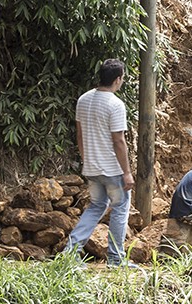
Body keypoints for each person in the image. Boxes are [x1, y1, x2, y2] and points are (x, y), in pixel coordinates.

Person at [63, 58, 135, 267]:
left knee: (97, 205)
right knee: (120, 207)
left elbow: (79, 134)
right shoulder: (115, 104)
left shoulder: (83, 99)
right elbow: (119, 141)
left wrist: (87, 159)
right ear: (118, 79)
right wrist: (127, 172)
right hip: (112, 169)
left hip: (92, 167)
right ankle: (115, 258)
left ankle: (71, 251)